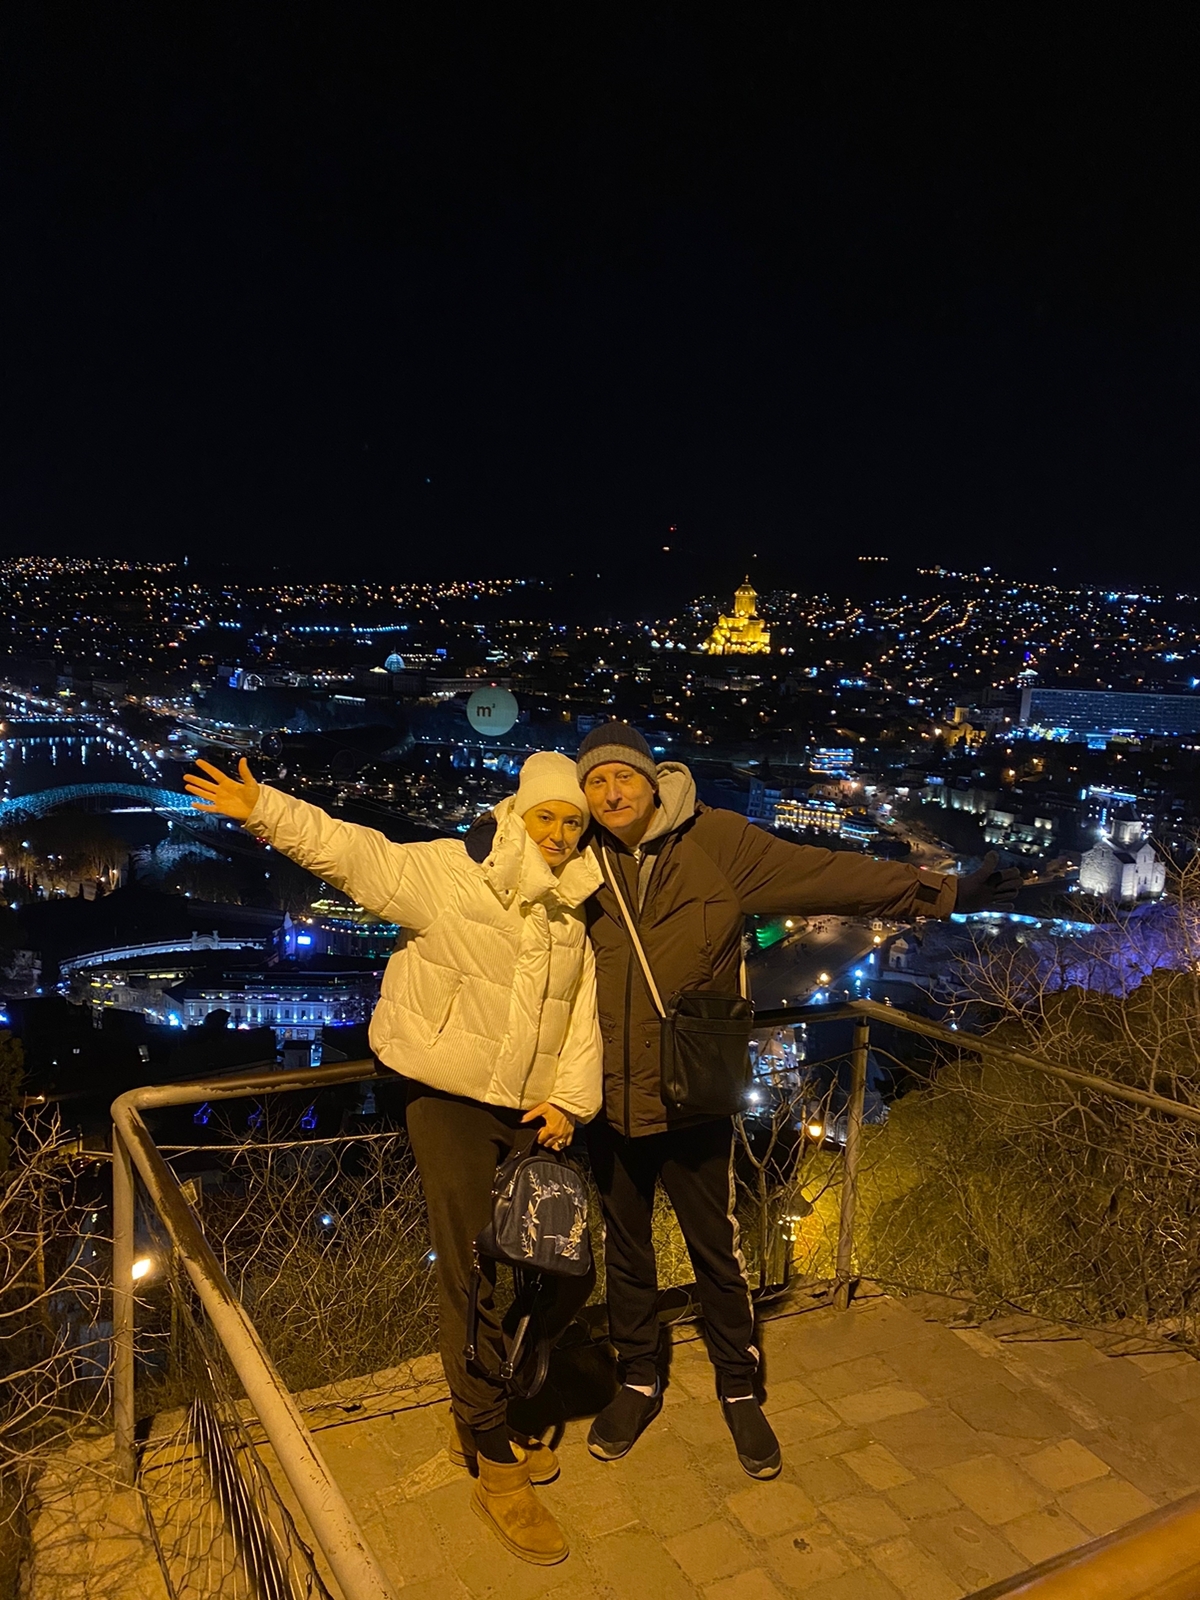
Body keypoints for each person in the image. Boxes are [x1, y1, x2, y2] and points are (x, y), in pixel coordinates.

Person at [184, 750, 602, 1567]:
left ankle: (488, 1406)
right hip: (447, 1100)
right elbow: (354, 852)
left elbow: (580, 1016)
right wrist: (264, 808)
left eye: (571, 823)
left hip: (529, 1111)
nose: (558, 834)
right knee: (473, 1275)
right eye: (546, 817)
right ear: (516, 815)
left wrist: (571, 1103)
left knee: (560, 1270)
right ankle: (491, 1454)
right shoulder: (448, 874)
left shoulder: (570, 911)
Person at [574, 722, 1021, 1479]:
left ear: (654, 780)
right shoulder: (577, 855)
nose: (612, 793)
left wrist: (942, 892)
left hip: (691, 1090)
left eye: (625, 776)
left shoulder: (716, 842)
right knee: (626, 1247)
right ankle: (638, 1378)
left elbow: (828, 874)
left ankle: (739, 1386)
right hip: (608, 1091)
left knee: (717, 1248)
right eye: (596, 781)